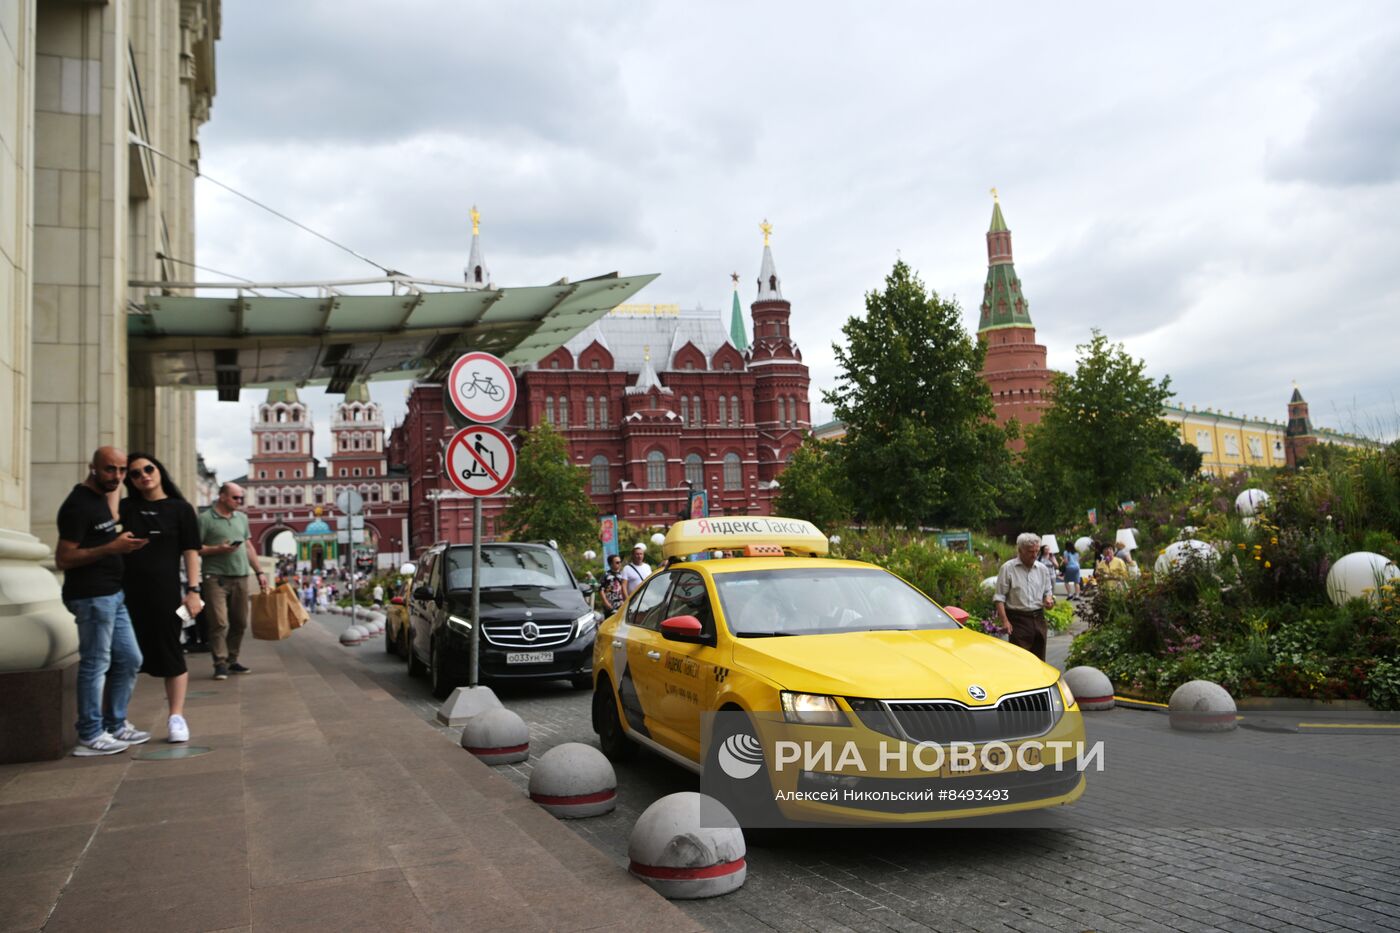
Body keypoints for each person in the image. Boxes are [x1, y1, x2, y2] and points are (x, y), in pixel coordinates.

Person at [54, 447, 151, 755]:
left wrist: (123, 545)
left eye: (123, 470)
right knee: (96, 663)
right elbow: (64, 558)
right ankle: (90, 733)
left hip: (112, 594)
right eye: (111, 470)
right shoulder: (77, 505)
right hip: (91, 596)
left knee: (130, 658)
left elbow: (104, 536)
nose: (119, 477)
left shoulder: (100, 498)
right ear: (92, 468)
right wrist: (112, 548)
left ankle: (115, 724)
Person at [119, 453, 203, 743]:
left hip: (169, 596)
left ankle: (176, 717)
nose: (144, 475)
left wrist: (194, 592)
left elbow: (191, 552)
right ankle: (117, 719)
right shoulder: (125, 507)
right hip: (125, 596)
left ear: (159, 470)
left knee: (172, 651)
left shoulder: (181, 509)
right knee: (124, 657)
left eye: (148, 468)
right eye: (134, 473)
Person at [198, 482, 268, 680]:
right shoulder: (204, 519)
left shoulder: (242, 518)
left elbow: (248, 547)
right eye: (235, 497)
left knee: (239, 622)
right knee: (219, 622)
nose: (239, 501)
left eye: (241, 498)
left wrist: (260, 572)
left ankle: (232, 659)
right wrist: (217, 550)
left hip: (240, 576)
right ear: (222, 497)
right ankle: (219, 663)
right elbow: (194, 548)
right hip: (214, 577)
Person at [993, 533, 1055, 661]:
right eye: (1030, 551)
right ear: (1020, 550)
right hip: (1018, 620)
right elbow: (999, 597)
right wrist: (1005, 621)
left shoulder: (1042, 569)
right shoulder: (1008, 569)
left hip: (1039, 619)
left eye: (1037, 551)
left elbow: (1047, 592)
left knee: (1039, 661)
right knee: (1021, 661)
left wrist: (1048, 600)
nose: (1034, 555)